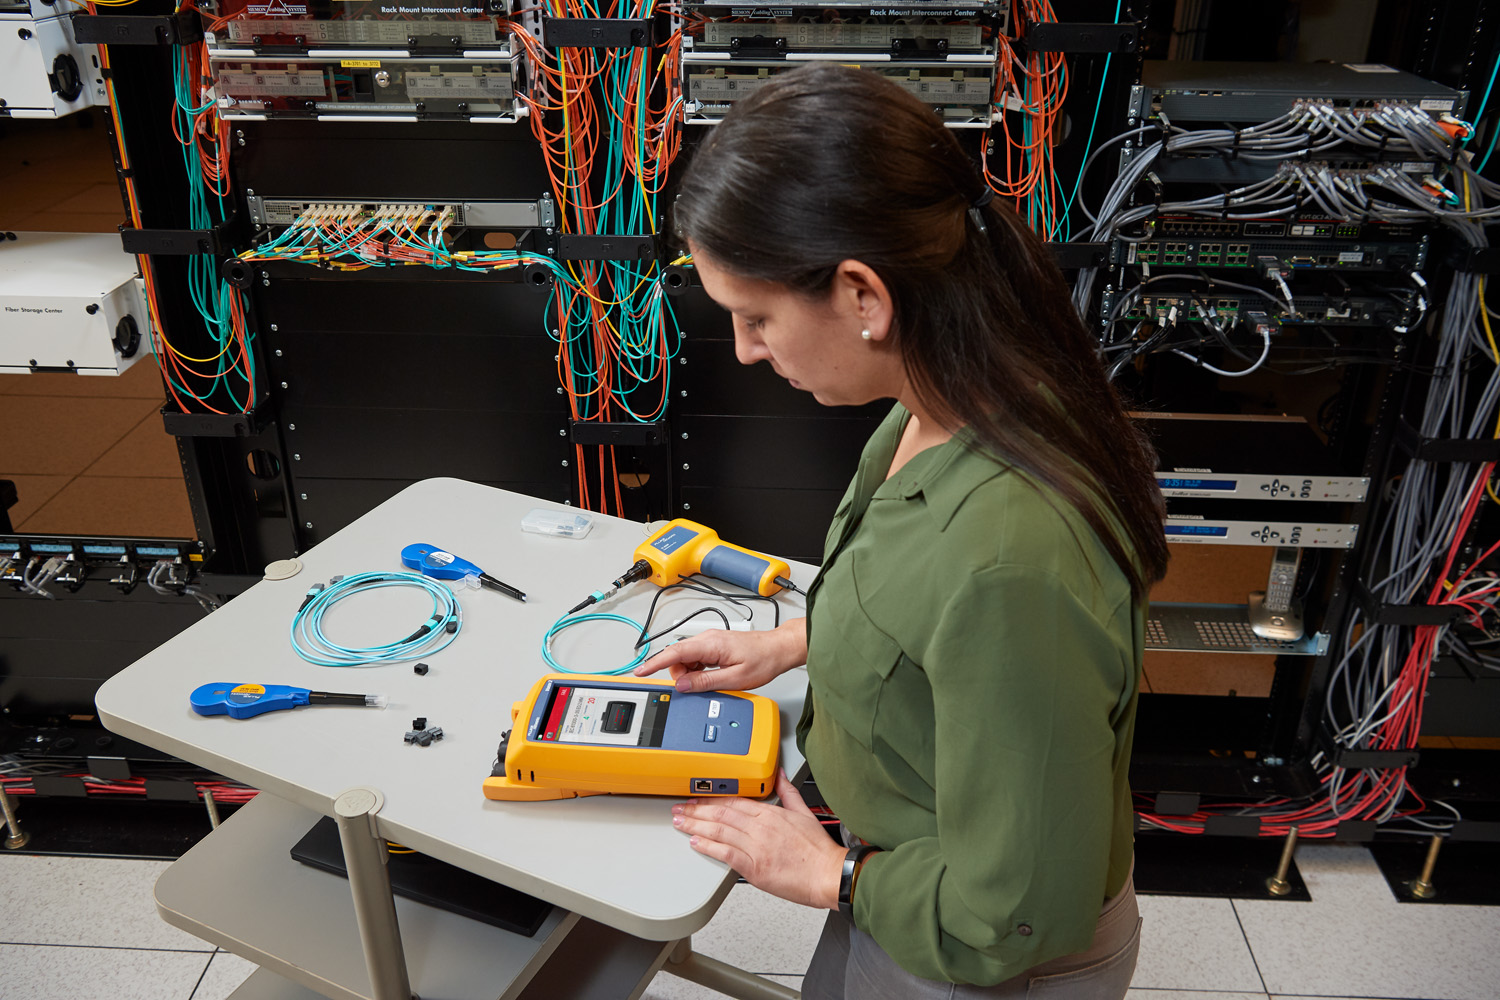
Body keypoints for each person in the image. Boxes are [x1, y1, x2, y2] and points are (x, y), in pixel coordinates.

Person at [633, 63, 1170, 998]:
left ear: (862, 295)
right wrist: (799, 642)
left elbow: (1009, 911)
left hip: (978, 944)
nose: (748, 350)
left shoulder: (1014, 553)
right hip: (901, 885)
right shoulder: (931, 412)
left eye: (756, 317)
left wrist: (827, 876)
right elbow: (925, 620)